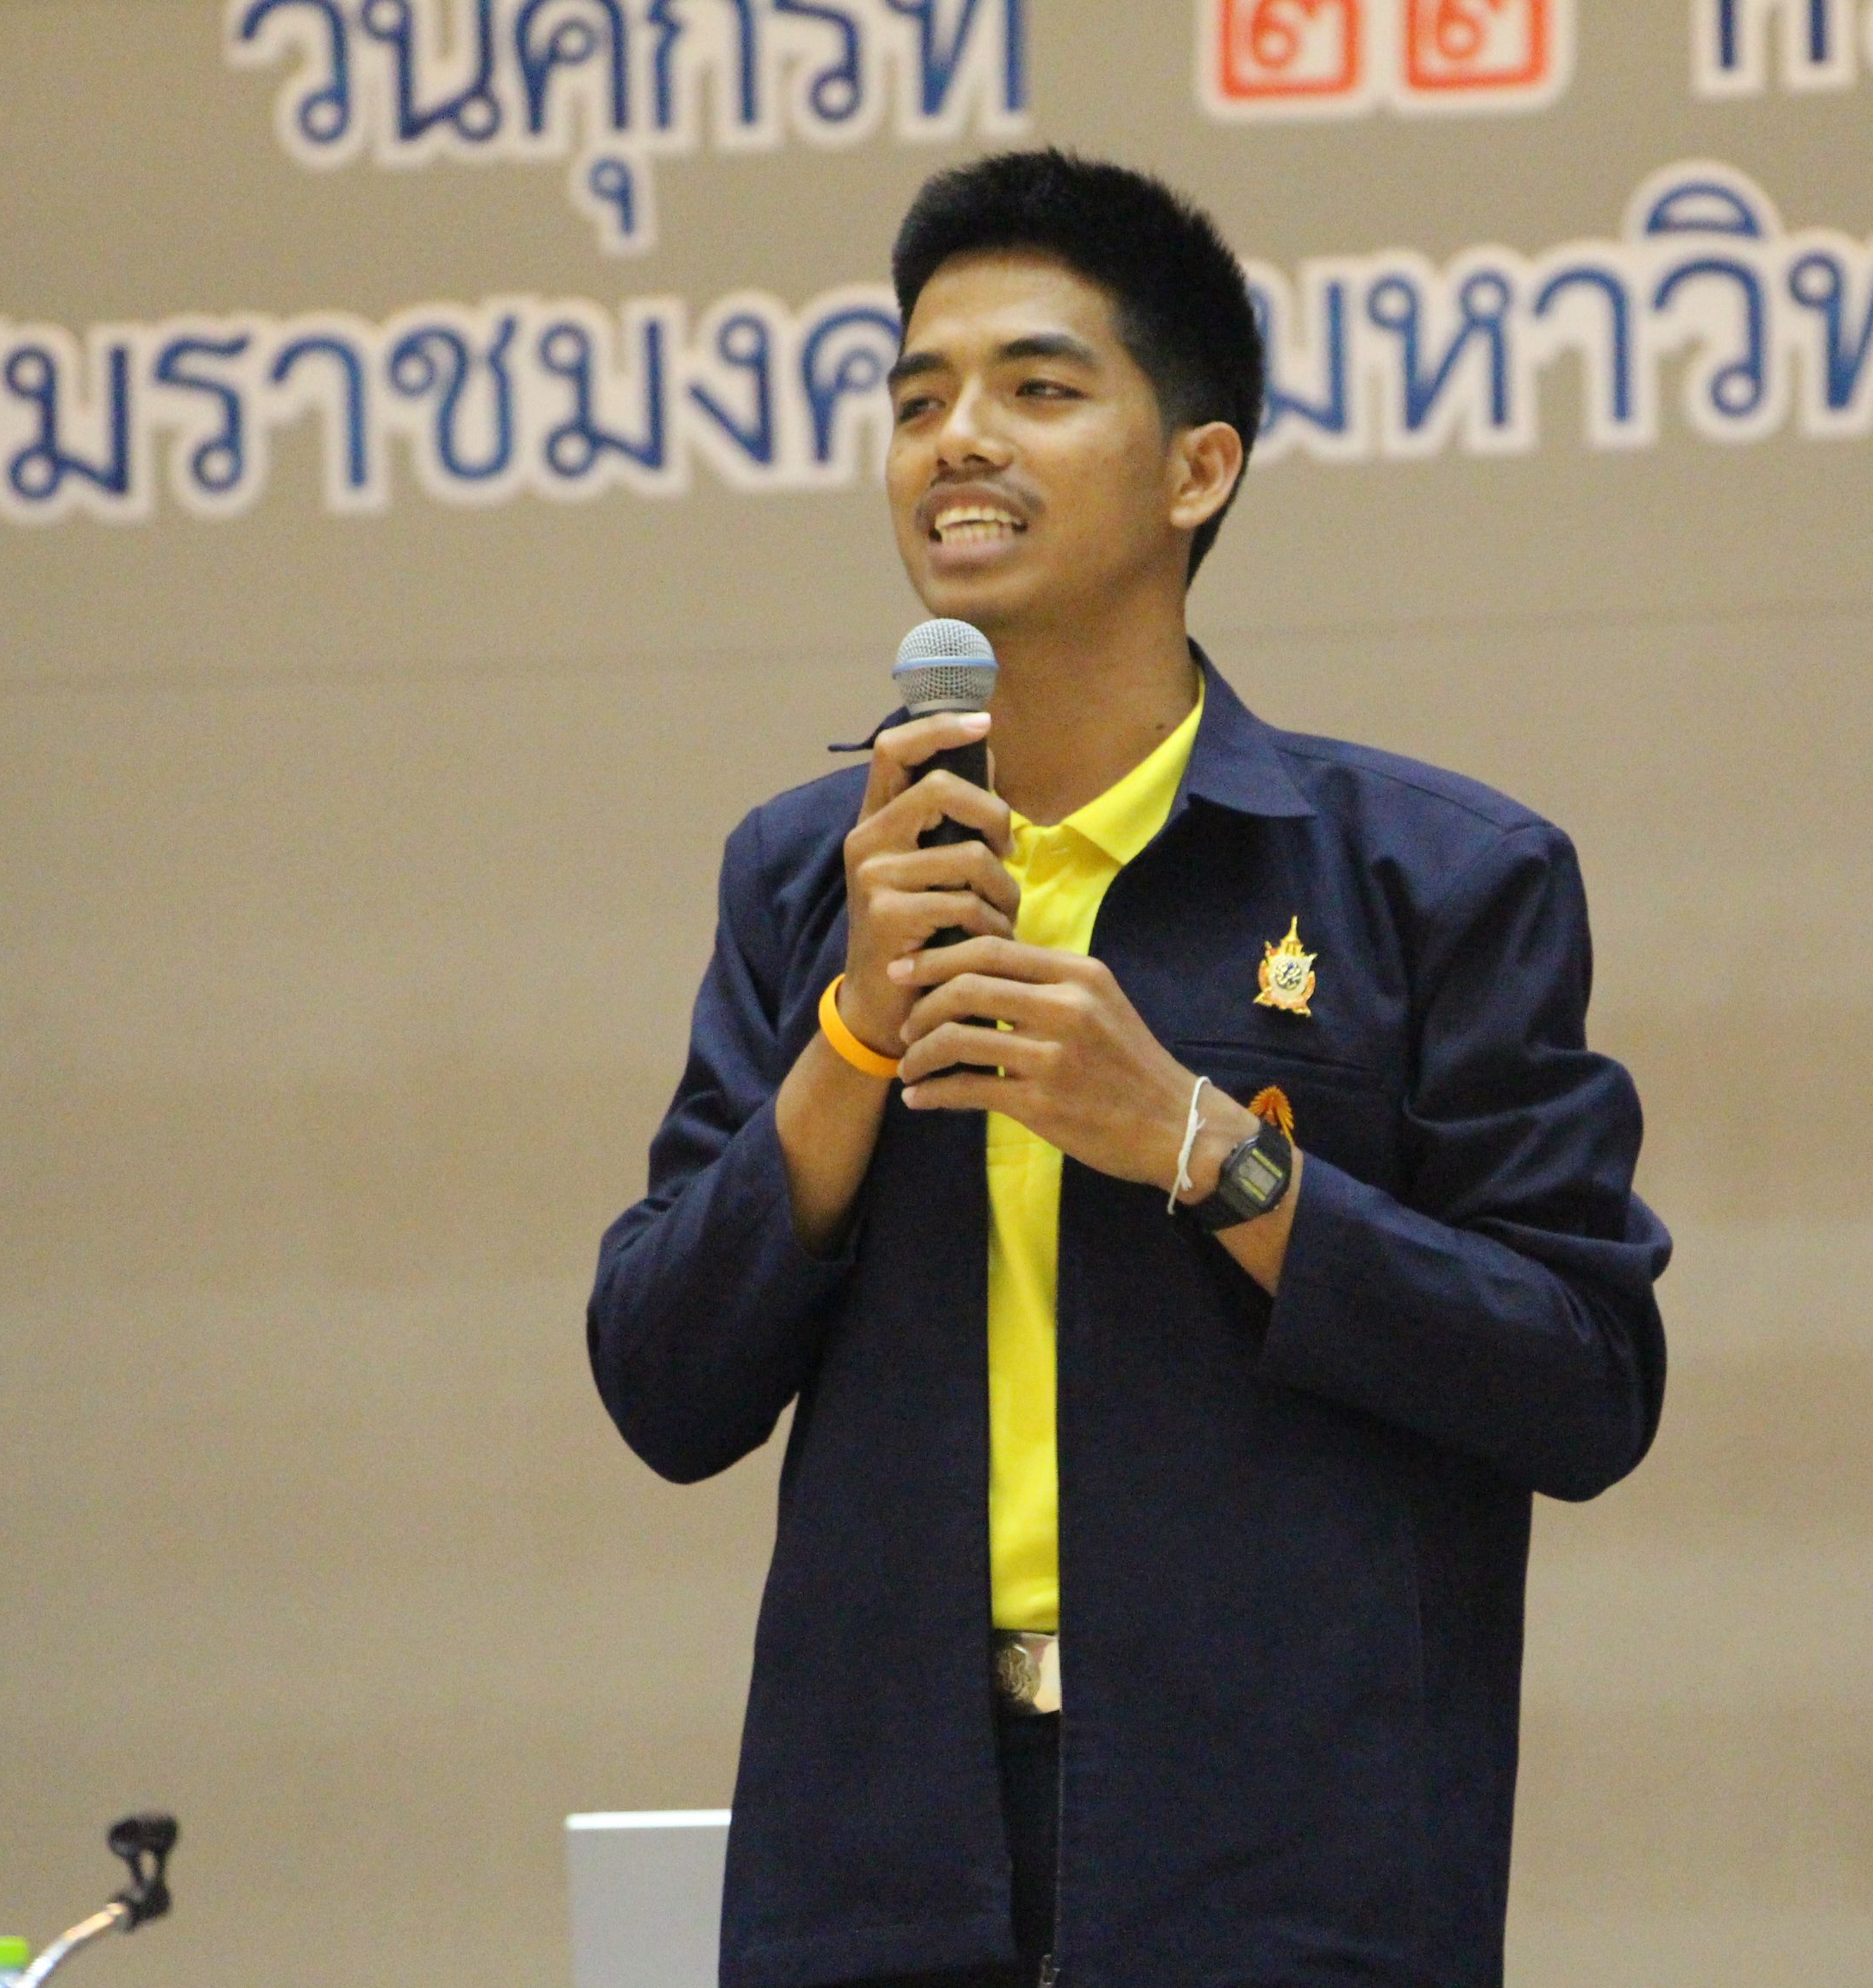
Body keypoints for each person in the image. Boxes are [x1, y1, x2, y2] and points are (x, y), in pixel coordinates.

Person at [588, 149, 1669, 1988]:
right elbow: (663, 1383)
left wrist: (1199, 1148)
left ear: (1198, 469)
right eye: (917, 399)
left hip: (1282, 1868)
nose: (955, 439)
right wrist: (854, 1033)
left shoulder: (1433, 880)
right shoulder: (811, 879)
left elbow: (1585, 1381)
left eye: (1036, 386)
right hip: (886, 1863)